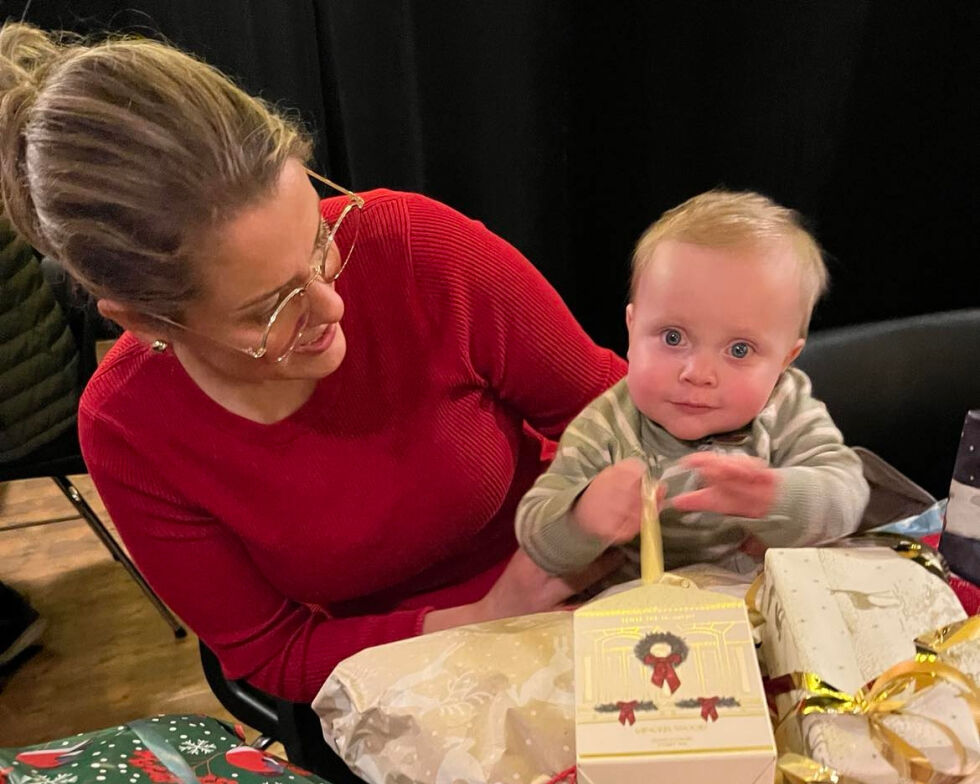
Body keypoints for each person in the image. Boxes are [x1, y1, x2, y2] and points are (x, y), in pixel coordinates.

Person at [0, 23, 625, 703]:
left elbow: (605, 403)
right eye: (270, 307)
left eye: (321, 238)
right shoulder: (128, 428)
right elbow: (273, 650)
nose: (331, 306)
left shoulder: (415, 249)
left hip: (586, 583)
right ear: (143, 321)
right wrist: (489, 615)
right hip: (399, 675)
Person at [516, 190, 870, 582]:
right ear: (632, 331)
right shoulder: (607, 425)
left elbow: (848, 496)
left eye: (739, 349)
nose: (698, 373)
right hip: (637, 609)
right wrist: (582, 517)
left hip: (755, 597)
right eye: (672, 337)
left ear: (785, 361)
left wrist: (776, 497)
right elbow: (537, 535)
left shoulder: (784, 407)